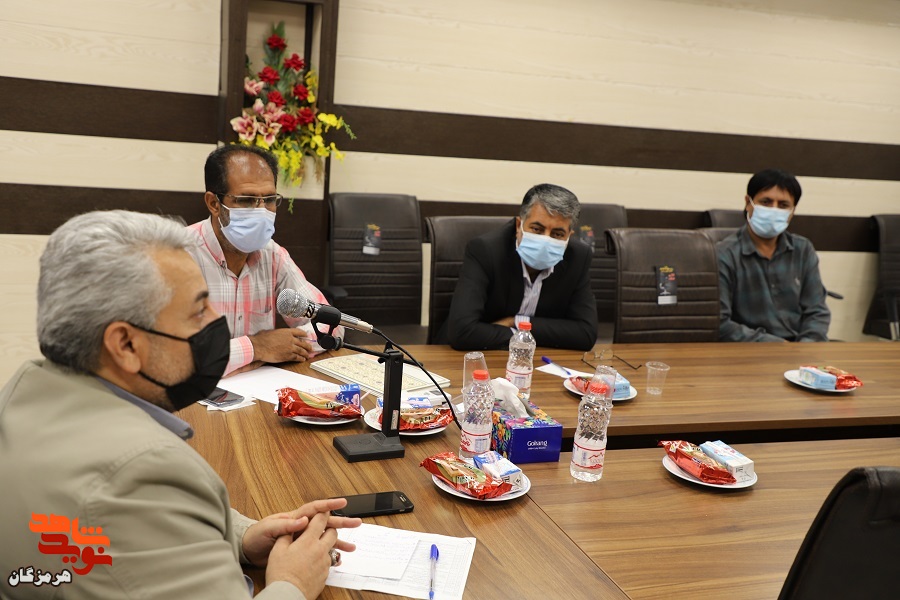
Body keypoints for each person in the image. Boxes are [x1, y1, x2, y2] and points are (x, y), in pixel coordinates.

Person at [0, 210, 360, 599]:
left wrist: (241, 536)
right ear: (126, 344)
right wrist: (293, 582)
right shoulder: (143, 470)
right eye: (199, 310)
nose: (217, 322)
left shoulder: (21, 396)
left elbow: (136, 526)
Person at [189, 145, 341, 376]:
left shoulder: (272, 255)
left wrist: (284, 346)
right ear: (214, 203)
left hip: (257, 390)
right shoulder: (178, 255)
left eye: (269, 199)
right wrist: (257, 347)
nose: (261, 211)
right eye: (247, 200)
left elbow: (330, 325)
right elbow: (172, 358)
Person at [445, 183, 598, 350]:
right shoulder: (485, 251)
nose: (546, 240)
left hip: (535, 359)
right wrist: (522, 336)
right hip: (475, 354)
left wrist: (516, 322)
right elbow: (462, 331)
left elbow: (585, 334)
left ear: (569, 236)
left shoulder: (578, 257)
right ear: (519, 226)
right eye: (537, 229)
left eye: (557, 234)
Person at [717, 168, 831, 342]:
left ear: (792, 211)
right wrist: (779, 347)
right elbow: (721, 323)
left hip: (801, 349)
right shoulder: (724, 255)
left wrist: (806, 346)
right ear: (748, 203)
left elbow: (817, 312)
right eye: (766, 202)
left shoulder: (802, 249)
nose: (774, 209)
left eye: (783, 205)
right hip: (751, 350)